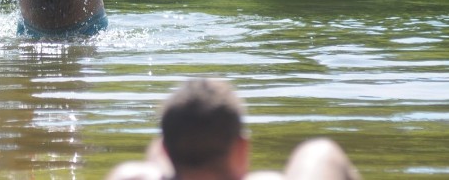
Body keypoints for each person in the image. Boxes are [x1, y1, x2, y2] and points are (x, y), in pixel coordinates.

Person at [107, 78, 360, 180]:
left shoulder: (131, 176)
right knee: (319, 151)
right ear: (241, 150)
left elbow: (155, 157)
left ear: (167, 151)